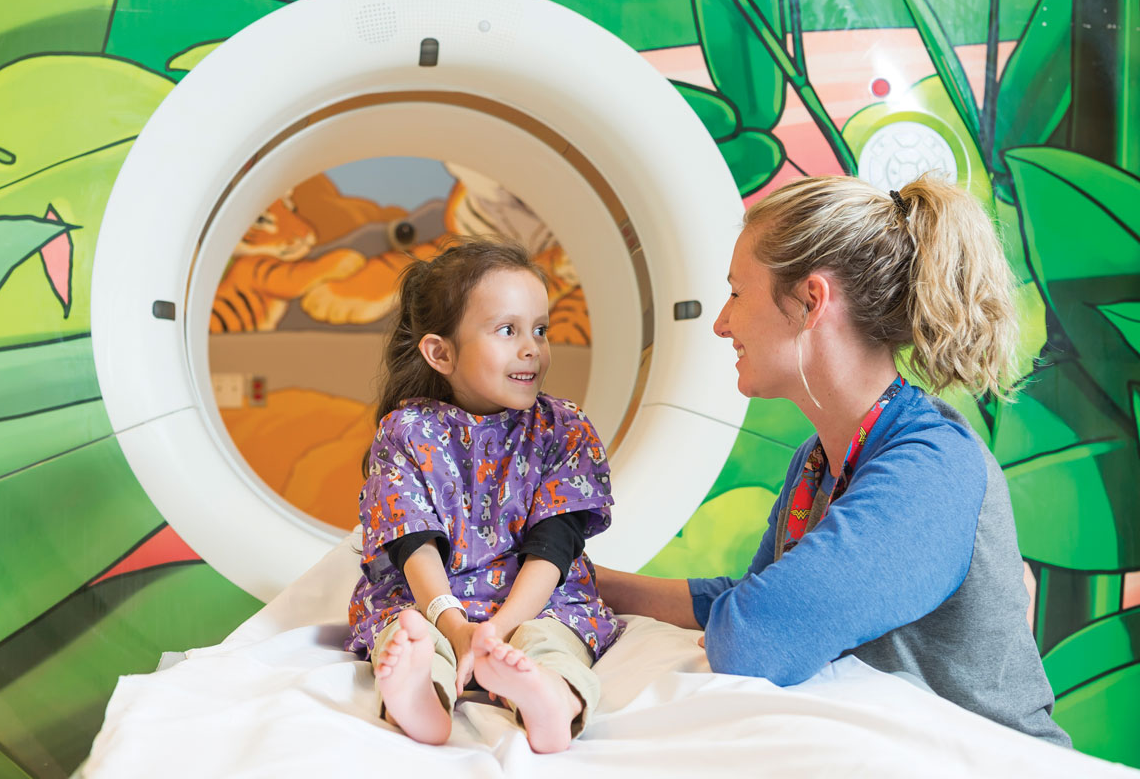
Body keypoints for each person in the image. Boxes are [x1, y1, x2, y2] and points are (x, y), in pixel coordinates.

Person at [594, 174, 1070, 746]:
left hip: (986, 759)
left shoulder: (930, 469)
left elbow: (756, 639)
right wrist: (588, 581)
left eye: (737, 293)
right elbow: (752, 598)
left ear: (811, 301)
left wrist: (749, 619)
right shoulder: (818, 461)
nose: (722, 323)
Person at [344, 238, 622, 753]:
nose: (531, 348)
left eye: (540, 329)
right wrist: (454, 626)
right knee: (409, 638)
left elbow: (554, 546)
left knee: (552, 642)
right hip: (430, 600)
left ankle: (552, 700)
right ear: (441, 352)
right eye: (507, 330)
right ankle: (419, 698)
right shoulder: (406, 432)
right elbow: (412, 544)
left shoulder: (564, 430)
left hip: (537, 601)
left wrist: (498, 628)